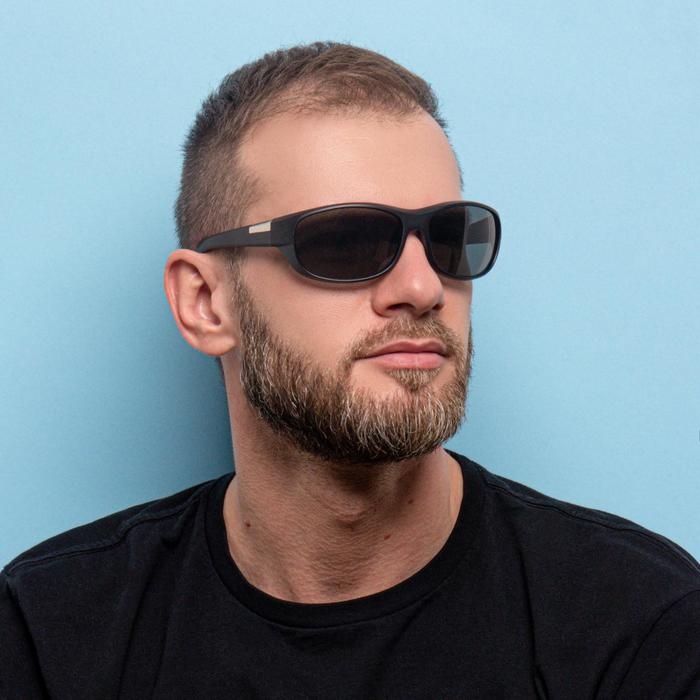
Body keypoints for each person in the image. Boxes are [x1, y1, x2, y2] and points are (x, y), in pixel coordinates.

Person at [1, 41, 698, 699]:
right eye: (344, 241)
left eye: (449, 238)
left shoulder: (640, 625)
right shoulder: (50, 635)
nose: (422, 288)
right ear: (206, 303)